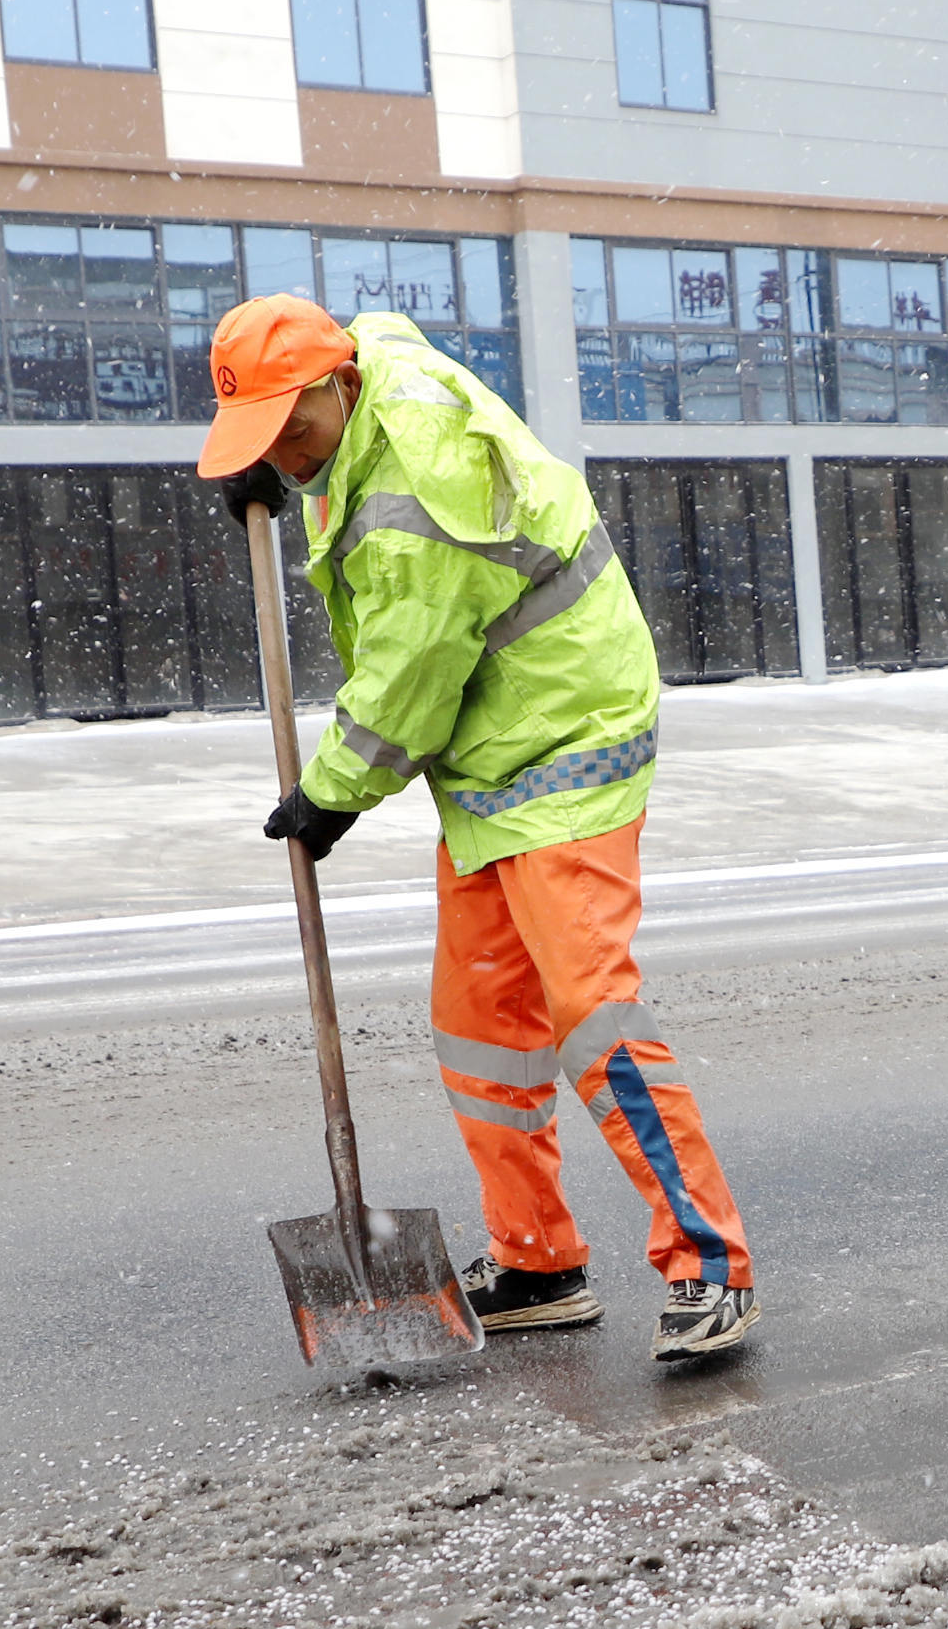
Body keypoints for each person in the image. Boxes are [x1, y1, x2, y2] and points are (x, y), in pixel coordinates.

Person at [196, 293, 758, 1362]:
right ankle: (540, 1259)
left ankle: (710, 1262)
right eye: (262, 442)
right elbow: (379, 577)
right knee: (477, 1022)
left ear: (334, 382)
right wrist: (285, 469)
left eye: (291, 430)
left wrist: (332, 794)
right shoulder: (351, 417)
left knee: (590, 1016)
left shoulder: (419, 465)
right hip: (490, 743)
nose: (287, 456)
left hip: (562, 731)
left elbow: (412, 663)